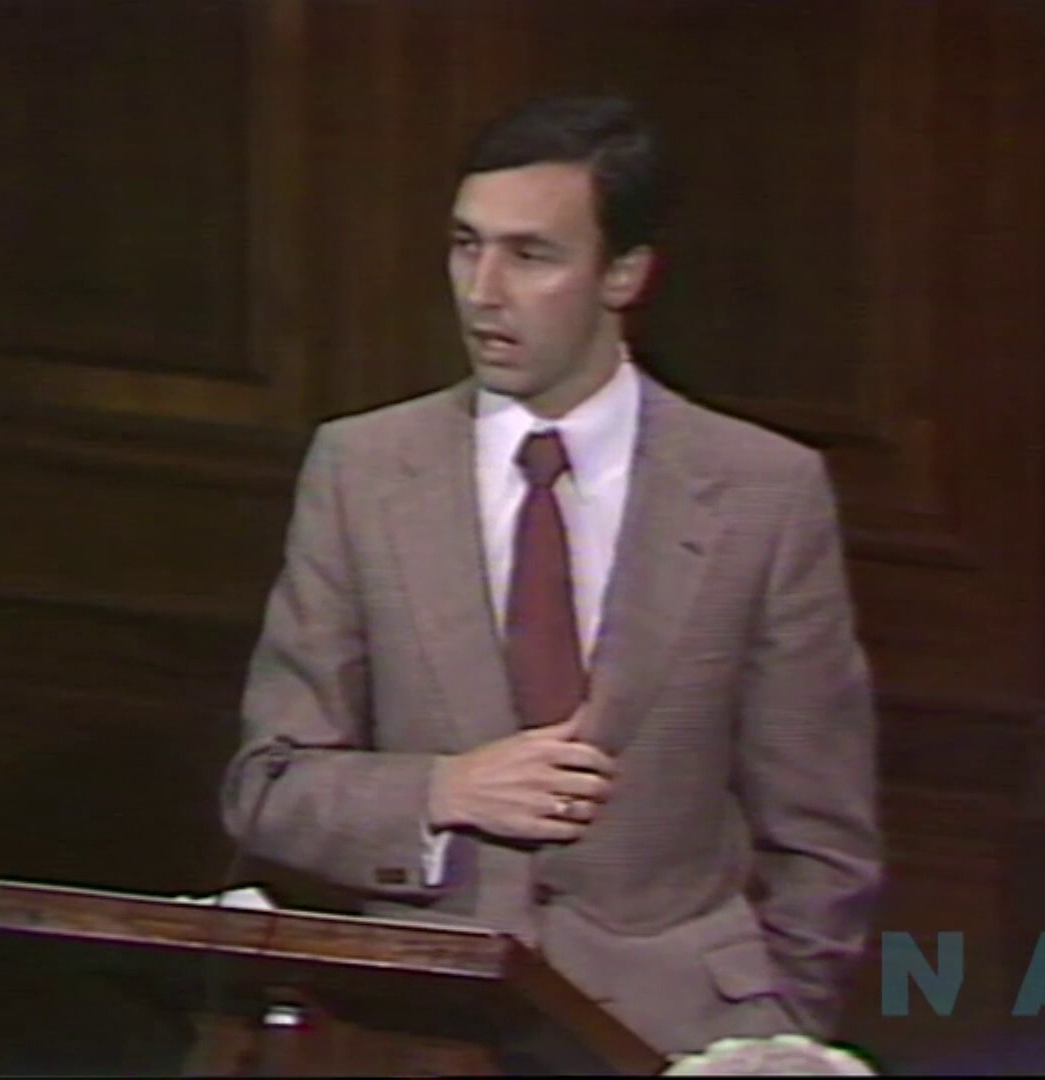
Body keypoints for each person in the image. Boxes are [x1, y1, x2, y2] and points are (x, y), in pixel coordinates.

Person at [218, 94, 881, 1061]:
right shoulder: (362, 471)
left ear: (624, 274)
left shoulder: (761, 493)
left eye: (531, 256)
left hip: (680, 1039)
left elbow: (822, 835)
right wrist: (443, 790)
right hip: (419, 1036)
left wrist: (770, 1032)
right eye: (464, 246)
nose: (482, 291)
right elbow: (267, 786)